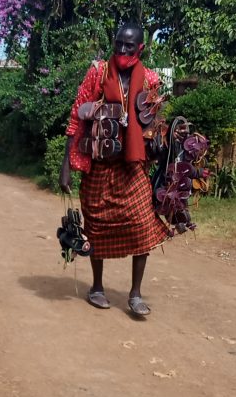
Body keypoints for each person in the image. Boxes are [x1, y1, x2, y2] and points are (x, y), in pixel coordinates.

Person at [59, 23, 169, 317]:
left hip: (132, 167)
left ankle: (135, 294)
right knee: (96, 226)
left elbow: (153, 123)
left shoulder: (150, 80)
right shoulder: (97, 72)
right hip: (99, 166)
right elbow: (76, 117)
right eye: (118, 44)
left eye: (128, 46)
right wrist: (66, 166)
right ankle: (96, 287)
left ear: (140, 48)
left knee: (143, 225)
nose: (122, 50)